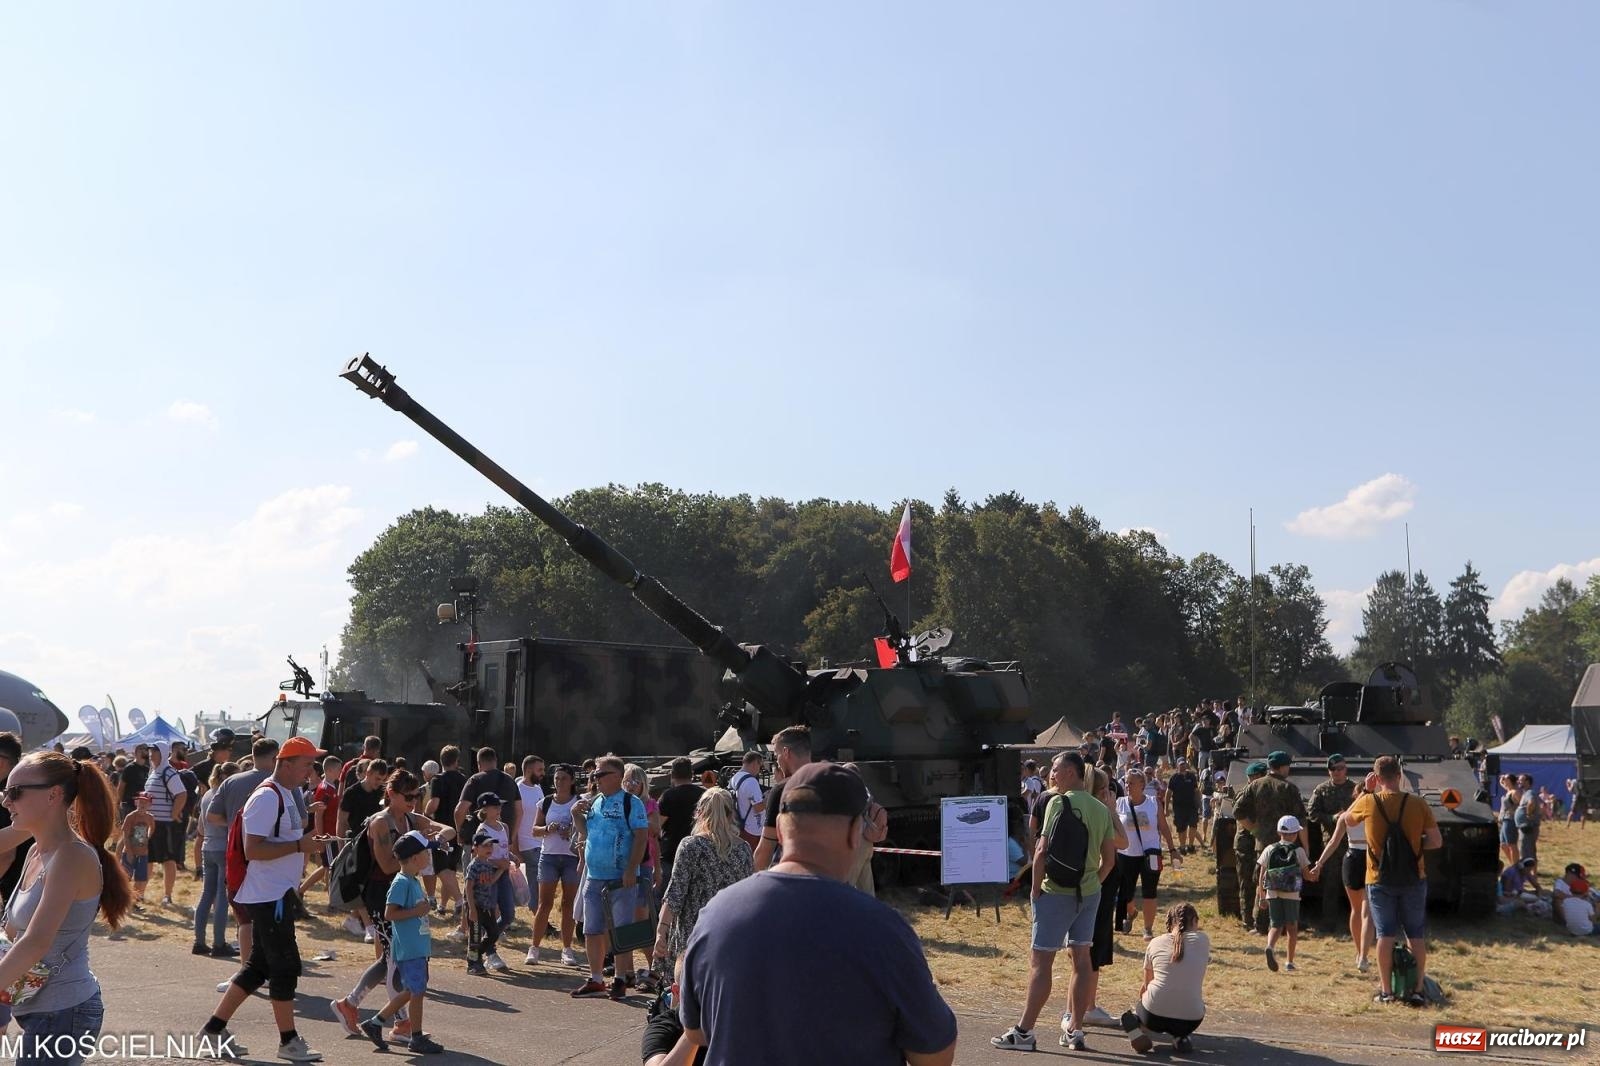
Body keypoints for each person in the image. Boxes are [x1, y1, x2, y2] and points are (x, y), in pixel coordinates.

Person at [680, 762, 957, 1066]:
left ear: (780, 831)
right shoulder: (883, 930)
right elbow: (936, 1055)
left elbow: (696, 1032)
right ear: (854, 834)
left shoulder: (715, 915)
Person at [196, 735, 332, 1063]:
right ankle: (288, 1041)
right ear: (284, 764)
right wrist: (299, 845)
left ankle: (213, 1031)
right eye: (306, 764)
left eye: (312, 764)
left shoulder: (285, 794)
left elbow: (281, 840)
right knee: (284, 967)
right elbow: (253, 849)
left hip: (275, 893)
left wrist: (307, 843)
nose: (311, 771)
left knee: (258, 967)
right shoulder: (267, 797)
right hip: (267, 895)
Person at [0, 752, 132, 1066]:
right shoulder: (36, 850)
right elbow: (13, 932)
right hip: (41, 1010)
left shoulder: (72, 856)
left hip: (63, 1013)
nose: (6, 801)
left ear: (53, 795)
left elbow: (36, 942)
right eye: (5, 792)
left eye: (15, 792)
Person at [993, 751, 1117, 1053]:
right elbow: (1110, 860)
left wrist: (1035, 890)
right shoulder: (1101, 809)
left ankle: (1024, 1031)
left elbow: (1041, 851)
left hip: (1056, 891)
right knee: (1082, 961)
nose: (1052, 774)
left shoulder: (1057, 803)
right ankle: (1075, 1030)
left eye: (1057, 769)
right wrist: (1092, 884)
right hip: (1088, 892)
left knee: (1041, 962)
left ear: (1072, 773)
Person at [330, 768, 456, 1040]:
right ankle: (399, 1022)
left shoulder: (410, 818)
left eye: (417, 795)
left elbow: (449, 829)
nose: (413, 801)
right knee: (394, 961)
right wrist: (419, 845)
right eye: (408, 796)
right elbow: (387, 865)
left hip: (404, 890)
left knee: (389, 958)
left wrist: (432, 840)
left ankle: (351, 1005)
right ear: (391, 794)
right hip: (382, 895)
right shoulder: (380, 823)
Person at [1343, 754, 1442, 1006]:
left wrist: (1366, 790)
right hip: (1414, 877)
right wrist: (1413, 847)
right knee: (1415, 934)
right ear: (1400, 775)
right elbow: (1436, 841)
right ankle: (1417, 990)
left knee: (1385, 935)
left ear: (1377, 778)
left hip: (1379, 878)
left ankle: (1386, 991)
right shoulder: (1418, 803)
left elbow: (1347, 819)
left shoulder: (1368, 801)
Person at [359, 830, 446, 1054]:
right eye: (426, 853)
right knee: (416, 991)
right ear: (415, 858)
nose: (429, 857)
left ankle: (376, 1023)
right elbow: (389, 913)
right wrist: (417, 911)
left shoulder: (412, 881)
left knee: (413, 990)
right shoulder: (401, 883)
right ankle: (416, 1037)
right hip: (409, 948)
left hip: (417, 946)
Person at [571, 754, 649, 1000]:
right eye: (594, 774)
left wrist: (631, 869)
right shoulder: (595, 802)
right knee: (591, 929)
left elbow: (642, 836)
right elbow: (587, 833)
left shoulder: (631, 803)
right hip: (594, 875)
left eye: (600, 774)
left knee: (621, 930)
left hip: (620, 878)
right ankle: (596, 979)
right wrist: (575, 815)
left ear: (617, 776)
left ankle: (620, 978)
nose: (595, 778)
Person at [651, 788, 752, 970]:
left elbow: (675, 894)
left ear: (699, 813)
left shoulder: (690, 846)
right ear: (731, 815)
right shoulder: (743, 849)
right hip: (730, 933)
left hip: (694, 934)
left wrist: (661, 930)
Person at [1310, 770, 1378, 972]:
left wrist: (1319, 863)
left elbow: (1332, 843)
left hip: (1351, 858)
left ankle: (1359, 952)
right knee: (1367, 912)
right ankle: (1363, 955)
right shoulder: (1375, 814)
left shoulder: (1346, 817)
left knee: (1356, 910)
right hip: (1370, 859)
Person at [1120, 902, 1208, 1054]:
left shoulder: (1155, 943)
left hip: (1153, 1017)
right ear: (1194, 921)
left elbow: (1147, 984)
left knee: (1142, 1005)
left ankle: (1136, 1028)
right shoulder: (1203, 940)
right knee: (1190, 1002)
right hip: (1191, 1020)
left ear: (1169, 922)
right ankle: (1181, 1037)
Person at [1113, 767, 1177, 939]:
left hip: (1151, 853)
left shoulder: (1153, 803)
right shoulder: (1119, 803)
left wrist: (1172, 850)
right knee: (1125, 893)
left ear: (1142, 784)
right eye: (1126, 782)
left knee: (1150, 891)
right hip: (1126, 853)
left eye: (1131, 783)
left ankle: (1148, 928)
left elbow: (1164, 827)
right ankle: (1131, 912)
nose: (1127, 786)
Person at [530, 764, 583, 967]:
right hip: (549, 856)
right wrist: (547, 828)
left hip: (571, 857)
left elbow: (586, 828)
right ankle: (534, 948)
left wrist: (572, 831)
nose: (559, 782)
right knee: (544, 904)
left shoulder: (579, 802)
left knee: (568, 904)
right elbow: (534, 830)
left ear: (572, 781)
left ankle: (567, 949)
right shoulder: (545, 802)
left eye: (563, 778)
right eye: (557, 778)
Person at [194, 761, 242, 957]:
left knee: (207, 894)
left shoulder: (207, 794)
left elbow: (201, 827)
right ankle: (219, 943)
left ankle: (199, 941)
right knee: (222, 896)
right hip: (223, 848)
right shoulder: (227, 794)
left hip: (208, 847)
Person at [1255, 815, 1313, 972]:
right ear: (1295, 834)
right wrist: (1315, 874)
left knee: (1275, 925)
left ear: (1279, 832)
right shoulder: (1299, 851)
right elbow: (1307, 875)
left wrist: (1261, 896)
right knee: (1292, 927)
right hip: (1291, 894)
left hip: (1272, 892)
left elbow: (1262, 875)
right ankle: (1289, 962)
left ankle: (1270, 946)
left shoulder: (1269, 849)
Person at [753, 727, 812, 871]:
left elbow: (765, 851)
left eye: (776, 754)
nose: (777, 761)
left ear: (786, 752)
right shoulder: (831, 782)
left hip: (794, 874)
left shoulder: (783, 790)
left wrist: (753, 879)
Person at [469, 793, 516, 971]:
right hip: (488, 875)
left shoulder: (504, 826)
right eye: (495, 807)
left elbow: (504, 849)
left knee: (508, 913)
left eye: (499, 806)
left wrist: (511, 857)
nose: (499, 810)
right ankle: (490, 952)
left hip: (503, 873)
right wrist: (498, 863)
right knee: (487, 913)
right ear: (485, 809)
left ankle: (487, 941)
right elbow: (478, 856)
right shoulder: (482, 830)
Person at [425, 746, 468, 922]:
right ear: (456, 761)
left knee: (441, 868)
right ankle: (443, 906)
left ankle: (460, 902)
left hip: (442, 829)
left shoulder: (438, 779)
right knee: (450, 869)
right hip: (459, 828)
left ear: (441, 760)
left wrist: (425, 814)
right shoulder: (464, 779)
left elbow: (434, 804)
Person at [656, 757, 705, 907]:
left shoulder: (668, 796)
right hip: (698, 852)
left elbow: (657, 825)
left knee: (667, 898)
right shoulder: (703, 795)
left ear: (672, 775)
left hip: (671, 853)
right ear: (692, 774)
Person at [144, 744, 188, 907]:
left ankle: (167, 895)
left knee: (168, 860)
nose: (151, 754)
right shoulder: (153, 772)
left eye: (154, 751)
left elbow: (181, 794)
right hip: (150, 823)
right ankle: (140, 893)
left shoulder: (169, 772)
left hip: (165, 824)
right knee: (146, 859)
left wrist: (174, 813)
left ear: (162, 753)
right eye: (150, 751)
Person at [515, 754, 546, 963]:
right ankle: (541, 919)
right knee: (536, 883)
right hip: (526, 843)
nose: (542, 773)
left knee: (539, 883)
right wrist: (514, 846)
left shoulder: (538, 789)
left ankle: (540, 918)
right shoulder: (517, 789)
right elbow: (515, 818)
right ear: (528, 770)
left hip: (539, 843)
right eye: (539, 770)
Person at [455, 748, 521, 843]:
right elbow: (519, 811)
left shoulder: (475, 780)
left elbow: (460, 810)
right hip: (503, 838)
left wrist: (459, 833)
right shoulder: (510, 780)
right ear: (495, 760)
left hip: (479, 840)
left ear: (479, 763)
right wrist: (511, 838)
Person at [1232, 761, 1269, 930]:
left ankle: (1259, 919)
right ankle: (1247, 920)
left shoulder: (1261, 791)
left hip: (1259, 842)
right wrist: (1255, 830)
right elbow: (1239, 815)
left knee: (1260, 881)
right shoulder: (1245, 793)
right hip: (1246, 843)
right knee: (1246, 882)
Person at [298, 756, 341, 898]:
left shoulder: (331, 787)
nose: (340, 772)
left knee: (327, 866)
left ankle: (301, 890)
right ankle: (332, 899)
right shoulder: (325, 789)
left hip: (331, 833)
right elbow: (318, 815)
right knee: (331, 866)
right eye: (338, 769)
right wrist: (321, 837)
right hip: (327, 835)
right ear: (329, 770)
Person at [463, 832, 504, 975]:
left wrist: (501, 869)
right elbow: (468, 887)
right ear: (475, 848)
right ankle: (473, 965)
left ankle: (476, 954)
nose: (489, 848)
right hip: (475, 906)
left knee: (493, 933)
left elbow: (490, 881)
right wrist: (472, 909)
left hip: (487, 906)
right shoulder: (474, 865)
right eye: (485, 846)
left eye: (491, 845)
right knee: (475, 936)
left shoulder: (487, 864)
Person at [117, 791, 156, 907]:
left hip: (143, 853)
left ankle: (133, 902)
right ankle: (121, 901)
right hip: (129, 852)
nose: (142, 805)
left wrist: (148, 836)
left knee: (140, 879)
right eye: (140, 802)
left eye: (145, 802)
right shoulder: (131, 817)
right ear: (136, 803)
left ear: (149, 805)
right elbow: (125, 835)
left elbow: (152, 828)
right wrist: (129, 852)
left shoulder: (150, 817)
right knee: (126, 877)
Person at [728, 751, 766, 850]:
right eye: (760, 766)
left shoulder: (733, 779)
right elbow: (758, 807)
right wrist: (769, 797)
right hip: (753, 830)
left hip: (739, 827)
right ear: (755, 763)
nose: (759, 770)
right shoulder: (751, 782)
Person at [1166, 760, 1200, 855]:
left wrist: (1199, 804)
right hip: (1179, 807)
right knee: (1181, 828)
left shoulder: (1191, 776)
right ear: (1177, 766)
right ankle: (1182, 847)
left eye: (1184, 764)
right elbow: (1168, 793)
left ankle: (1191, 846)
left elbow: (1196, 791)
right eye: (1180, 764)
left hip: (1191, 806)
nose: (1182, 766)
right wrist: (1166, 808)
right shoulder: (1174, 778)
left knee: (1193, 825)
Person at [1514, 774, 1541, 865]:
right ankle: (1532, 871)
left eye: (1521, 780)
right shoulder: (1525, 793)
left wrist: (1528, 814)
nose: (1518, 782)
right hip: (1525, 826)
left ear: (1527, 782)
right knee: (1530, 851)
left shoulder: (1530, 793)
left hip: (1528, 827)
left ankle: (1527, 871)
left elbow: (1531, 802)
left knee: (1526, 851)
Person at [1495, 774, 1521, 868]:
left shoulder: (1514, 792)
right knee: (1503, 845)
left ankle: (1516, 866)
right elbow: (1502, 783)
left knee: (1511, 844)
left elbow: (1522, 804)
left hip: (1511, 819)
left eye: (1505, 779)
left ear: (1510, 780)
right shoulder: (1508, 791)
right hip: (1504, 820)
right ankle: (1514, 865)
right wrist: (1502, 779)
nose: (1503, 780)